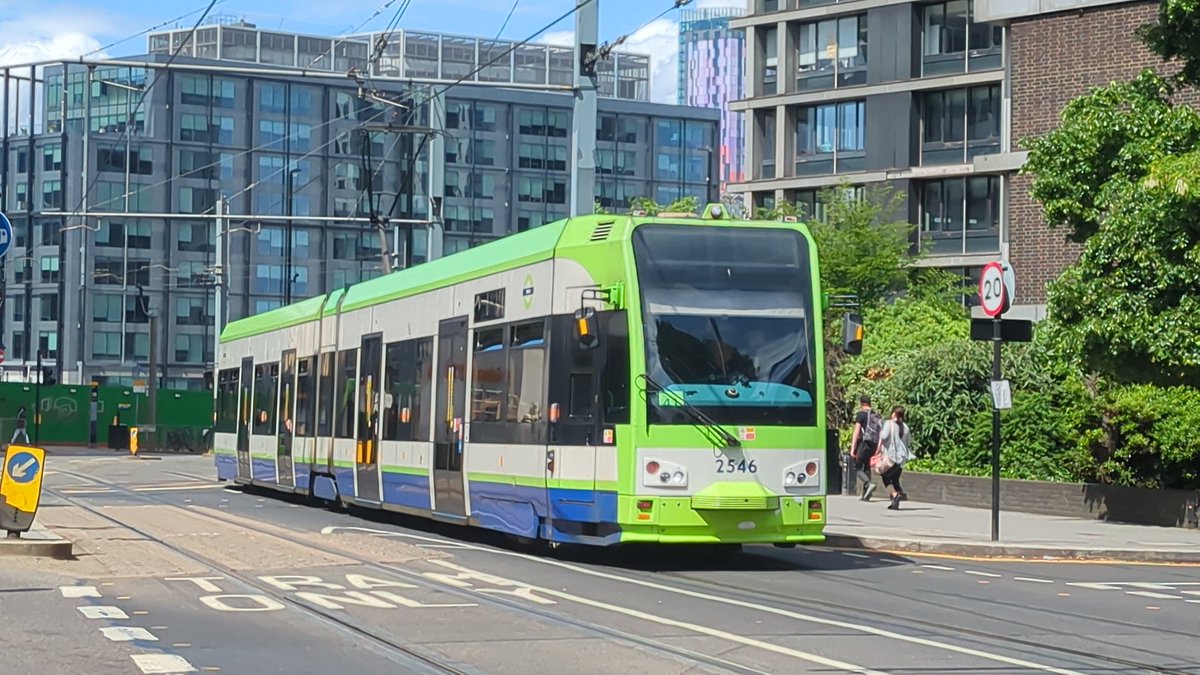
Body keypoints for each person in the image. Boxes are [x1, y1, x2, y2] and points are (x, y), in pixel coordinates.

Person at [876, 406, 913, 510]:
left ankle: (895, 495)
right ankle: (896, 500)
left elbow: (883, 436)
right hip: (901, 459)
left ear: (893, 413)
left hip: (891, 458)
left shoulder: (890, 424)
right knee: (895, 479)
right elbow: (909, 441)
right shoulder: (905, 427)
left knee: (886, 477)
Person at [849, 395, 883, 501]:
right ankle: (866, 494)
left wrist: (852, 448)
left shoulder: (861, 415)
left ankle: (868, 484)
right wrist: (878, 448)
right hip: (874, 444)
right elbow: (881, 433)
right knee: (867, 467)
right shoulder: (875, 415)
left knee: (857, 467)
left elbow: (856, 432)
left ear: (861, 403)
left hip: (864, 444)